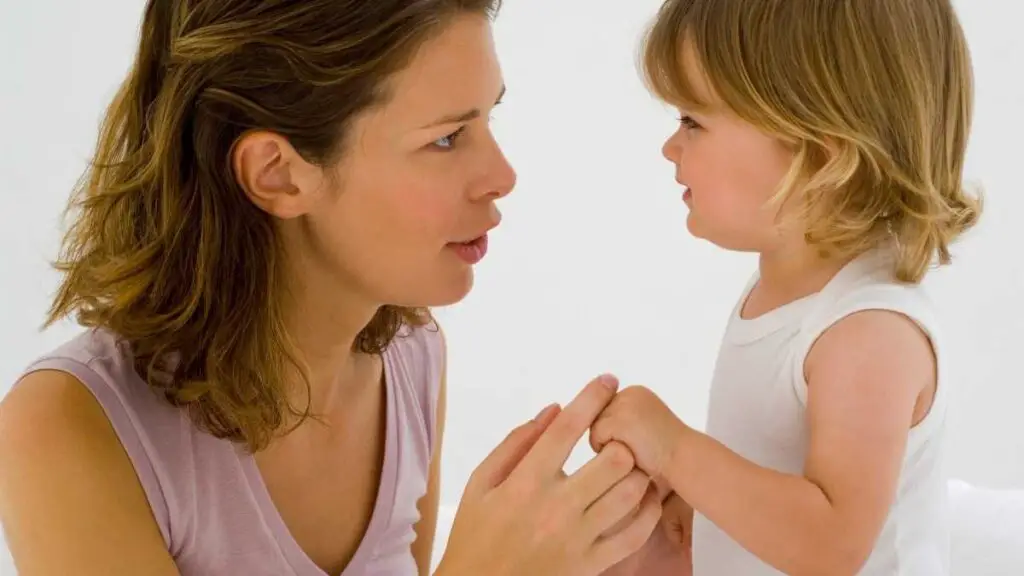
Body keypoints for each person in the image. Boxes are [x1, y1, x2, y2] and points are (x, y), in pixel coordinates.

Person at [0, 1, 663, 575]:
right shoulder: (69, 427)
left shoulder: (412, 354)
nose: (502, 174)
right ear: (278, 174)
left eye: (490, 119)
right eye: (446, 138)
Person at [593, 0, 980, 574]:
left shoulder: (867, 331)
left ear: (821, 157)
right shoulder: (784, 295)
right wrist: (696, 506)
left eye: (693, 123)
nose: (671, 148)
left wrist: (677, 450)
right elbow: (777, 484)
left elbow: (830, 543)